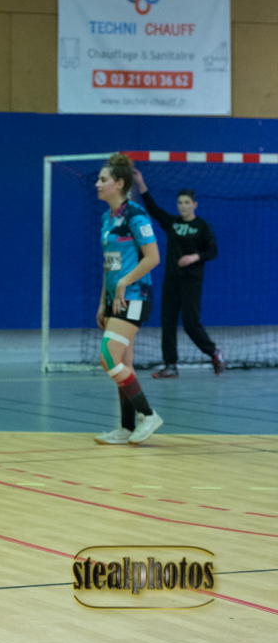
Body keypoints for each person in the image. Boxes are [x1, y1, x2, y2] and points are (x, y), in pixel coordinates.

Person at [92, 154, 164, 446]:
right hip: (115, 300)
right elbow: (110, 265)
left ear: (119, 183)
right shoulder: (107, 218)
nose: (97, 184)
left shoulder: (135, 214)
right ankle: (126, 427)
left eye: (103, 179)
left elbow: (153, 257)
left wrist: (124, 282)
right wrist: (103, 301)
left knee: (107, 358)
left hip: (135, 296)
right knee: (123, 363)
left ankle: (148, 415)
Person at [132, 170, 223, 378]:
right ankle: (170, 366)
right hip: (171, 281)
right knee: (168, 323)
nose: (183, 206)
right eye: (180, 203)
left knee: (191, 324)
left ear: (194, 204)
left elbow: (212, 251)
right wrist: (141, 184)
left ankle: (214, 353)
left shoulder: (202, 226)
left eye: (187, 203)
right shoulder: (172, 223)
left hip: (192, 282)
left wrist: (194, 257)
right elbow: (154, 210)